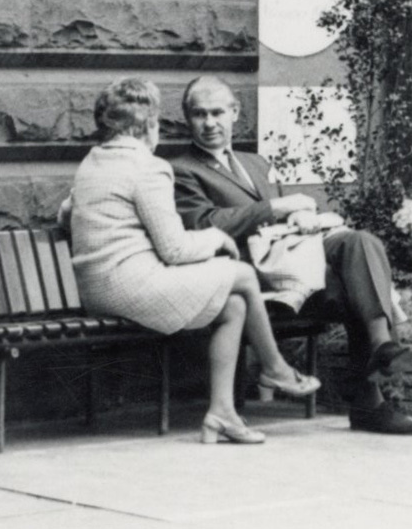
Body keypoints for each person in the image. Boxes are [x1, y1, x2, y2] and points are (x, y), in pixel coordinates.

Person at [68, 78, 321, 445]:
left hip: (98, 290)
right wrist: (217, 238)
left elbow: (66, 213)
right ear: (148, 125)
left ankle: (222, 414)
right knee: (243, 275)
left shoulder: (92, 163)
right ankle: (275, 368)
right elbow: (175, 250)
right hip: (131, 288)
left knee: (233, 305)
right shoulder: (148, 167)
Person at [170, 76, 412, 436]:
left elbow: (281, 214)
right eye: (199, 114)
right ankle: (370, 402)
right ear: (187, 118)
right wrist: (276, 207)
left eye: (217, 112)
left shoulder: (254, 162)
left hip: (293, 260)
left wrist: (299, 215)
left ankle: (383, 346)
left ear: (234, 113)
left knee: (360, 243)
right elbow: (204, 223)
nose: (209, 123)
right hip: (249, 274)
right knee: (356, 284)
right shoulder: (181, 169)